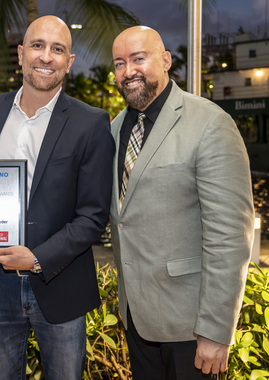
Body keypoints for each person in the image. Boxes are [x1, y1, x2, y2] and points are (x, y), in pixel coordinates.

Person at [0, 15, 114, 380]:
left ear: (69, 62)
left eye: (58, 49)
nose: (46, 56)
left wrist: (37, 258)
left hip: (58, 282)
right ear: (21, 53)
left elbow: (93, 216)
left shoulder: (91, 122)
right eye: (38, 46)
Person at [109, 26, 254, 379]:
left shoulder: (209, 123)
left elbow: (230, 236)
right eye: (119, 63)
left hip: (190, 327)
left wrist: (216, 331)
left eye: (138, 59)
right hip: (137, 320)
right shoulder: (112, 130)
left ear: (165, 60)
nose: (128, 71)